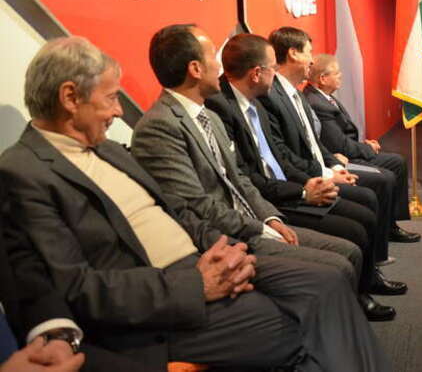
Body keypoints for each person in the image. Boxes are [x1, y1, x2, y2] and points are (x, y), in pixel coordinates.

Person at [0, 37, 389, 371]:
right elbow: (76, 286)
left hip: (206, 256)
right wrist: (196, 284)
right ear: (70, 97)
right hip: (165, 297)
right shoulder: (23, 171)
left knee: (328, 282)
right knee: (295, 327)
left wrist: (229, 247)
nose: (119, 111)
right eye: (112, 98)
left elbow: (179, 210)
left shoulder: (110, 151)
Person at [205, 33, 395, 321]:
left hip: (285, 186)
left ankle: (364, 287)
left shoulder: (256, 102)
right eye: (272, 68)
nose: (275, 73)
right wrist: (303, 192)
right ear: (256, 74)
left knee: (363, 213)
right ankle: (356, 300)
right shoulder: (221, 107)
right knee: (355, 229)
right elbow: (246, 176)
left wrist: (308, 182)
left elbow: (279, 157)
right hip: (270, 199)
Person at [257, 27, 407, 296]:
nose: (312, 60)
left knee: (372, 193)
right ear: (293, 53)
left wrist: (335, 167)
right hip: (299, 182)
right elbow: (283, 156)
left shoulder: (294, 94)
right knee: (366, 202)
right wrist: (326, 174)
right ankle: (365, 284)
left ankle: (371, 272)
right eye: (309, 52)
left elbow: (315, 145)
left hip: (320, 169)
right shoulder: (272, 97)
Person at [305, 53, 420, 244]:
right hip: (341, 158)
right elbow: (339, 145)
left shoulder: (324, 98)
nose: (341, 76)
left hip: (348, 151)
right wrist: (368, 149)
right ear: (323, 79)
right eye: (337, 73)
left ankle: (390, 223)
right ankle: (388, 227)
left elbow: (342, 137)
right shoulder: (317, 103)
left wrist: (363, 145)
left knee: (397, 162)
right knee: (389, 172)